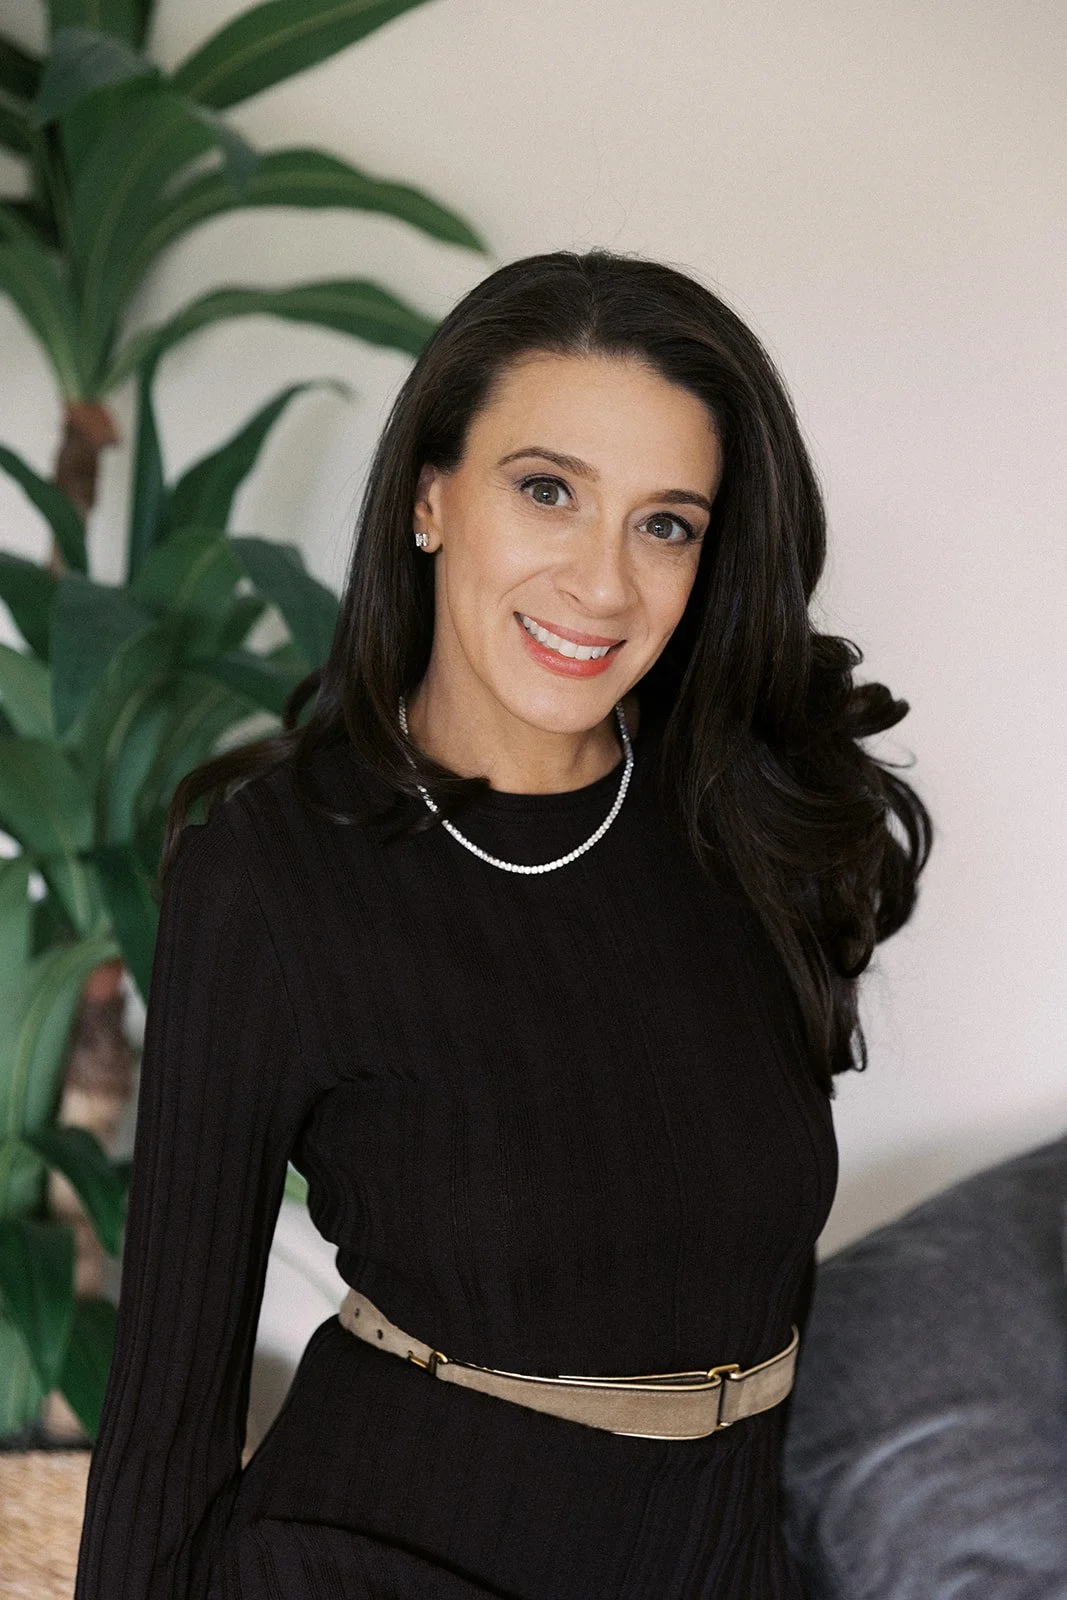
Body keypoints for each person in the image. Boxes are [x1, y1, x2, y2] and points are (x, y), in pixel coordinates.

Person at [74, 248, 933, 1599]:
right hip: (386, 1557)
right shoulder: (274, 873)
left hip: (719, 1557)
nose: (601, 583)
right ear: (429, 497)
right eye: (547, 492)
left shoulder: (744, 827)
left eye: (666, 524)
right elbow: (169, 1399)